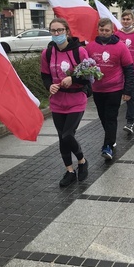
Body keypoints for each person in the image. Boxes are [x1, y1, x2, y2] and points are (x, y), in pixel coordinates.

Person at [41, 17, 89, 187]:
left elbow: (88, 77)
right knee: (62, 139)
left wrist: (73, 77)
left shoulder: (80, 52)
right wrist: (50, 86)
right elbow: (45, 76)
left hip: (76, 99)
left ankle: (82, 161)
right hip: (57, 101)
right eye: (53, 31)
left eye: (60, 30)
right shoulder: (47, 53)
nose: (56, 34)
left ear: (67, 31)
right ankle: (69, 170)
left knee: (67, 135)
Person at [86, 18, 134, 159]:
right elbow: (84, 66)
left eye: (107, 30)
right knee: (103, 117)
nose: (104, 33)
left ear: (112, 31)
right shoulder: (90, 47)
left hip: (115, 88)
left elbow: (129, 69)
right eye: (101, 30)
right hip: (98, 89)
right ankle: (111, 138)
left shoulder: (120, 47)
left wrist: (127, 91)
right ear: (98, 30)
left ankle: (107, 147)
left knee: (111, 117)